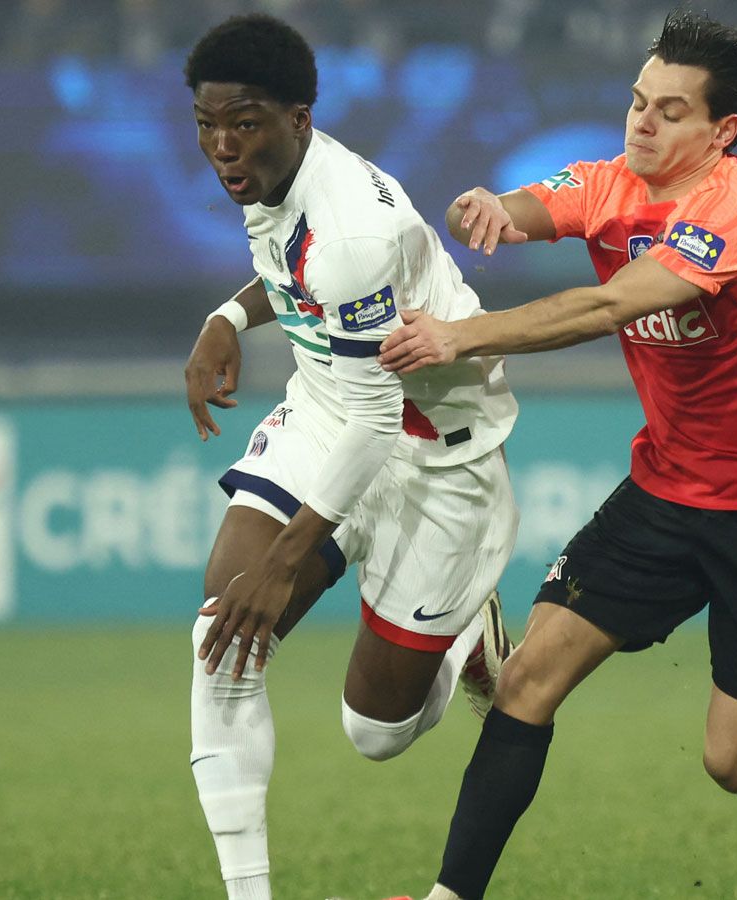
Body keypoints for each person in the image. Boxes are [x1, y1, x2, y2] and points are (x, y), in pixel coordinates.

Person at [375, 11, 737, 899]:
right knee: (527, 680)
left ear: (722, 131)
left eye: (670, 111)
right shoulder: (610, 181)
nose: (642, 122)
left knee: (734, 766)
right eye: (638, 101)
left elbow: (609, 307)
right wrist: (489, 207)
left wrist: (461, 335)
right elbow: (530, 206)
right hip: (668, 489)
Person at [181, 14, 524, 900]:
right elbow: (291, 275)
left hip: (434, 456)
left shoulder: (349, 235)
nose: (222, 148)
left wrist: (283, 564)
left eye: (243, 123)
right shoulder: (271, 172)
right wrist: (228, 317)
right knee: (221, 644)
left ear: (298, 118)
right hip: (334, 408)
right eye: (207, 124)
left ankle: (467, 639)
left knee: (375, 733)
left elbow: (379, 418)